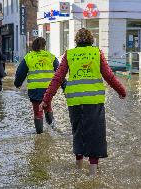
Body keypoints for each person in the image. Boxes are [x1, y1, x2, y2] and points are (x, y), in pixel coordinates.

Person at [39, 28, 127, 176]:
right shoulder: (96, 53)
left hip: (75, 100)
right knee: (95, 134)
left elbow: (57, 78)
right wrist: (122, 91)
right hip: (93, 100)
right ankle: (92, 174)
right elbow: (109, 76)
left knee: (78, 132)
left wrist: (46, 100)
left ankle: (78, 169)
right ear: (91, 40)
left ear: (76, 40)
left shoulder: (70, 54)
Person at [14, 37, 65, 134]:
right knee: (47, 106)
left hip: (35, 89)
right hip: (49, 89)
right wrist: (64, 86)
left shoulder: (28, 57)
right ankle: (52, 130)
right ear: (44, 46)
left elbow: (20, 73)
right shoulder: (51, 57)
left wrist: (17, 84)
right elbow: (60, 73)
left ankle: (39, 136)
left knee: (38, 111)